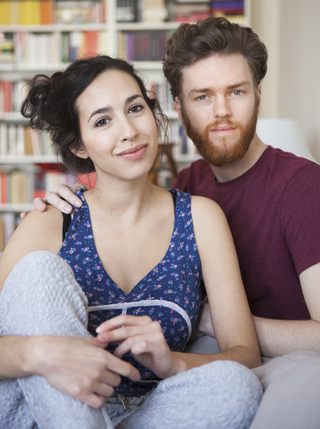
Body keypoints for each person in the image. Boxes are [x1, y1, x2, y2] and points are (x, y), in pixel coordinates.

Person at [41, 17, 320, 429]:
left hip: (283, 363)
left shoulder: (303, 185)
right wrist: (63, 199)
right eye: (202, 96)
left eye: (236, 92)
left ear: (258, 94)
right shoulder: (189, 188)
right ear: (176, 106)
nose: (222, 112)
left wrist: (216, 321)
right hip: (194, 362)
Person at [0, 55, 262, 429]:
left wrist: (174, 362)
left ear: (153, 116)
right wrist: (37, 353)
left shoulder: (201, 218)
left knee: (236, 387)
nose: (129, 131)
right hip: (47, 412)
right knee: (37, 271)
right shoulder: (51, 220)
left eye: (135, 108)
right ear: (79, 146)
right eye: (103, 121)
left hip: (146, 412)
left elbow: (246, 354)